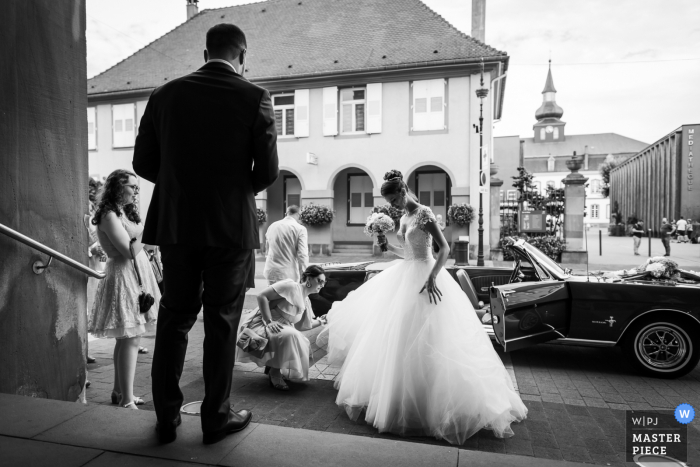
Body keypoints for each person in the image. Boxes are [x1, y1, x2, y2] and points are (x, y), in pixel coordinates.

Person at [133, 23, 279, 445]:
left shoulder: (165, 95)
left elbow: (143, 162)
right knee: (222, 320)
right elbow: (267, 172)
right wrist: (230, 192)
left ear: (205, 53)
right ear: (243, 56)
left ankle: (166, 417)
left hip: (178, 224)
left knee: (174, 318)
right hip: (230, 229)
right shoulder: (255, 97)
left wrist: (182, 186)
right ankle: (215, 418)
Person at [316, 170, 527, 445]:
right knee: (401, 340)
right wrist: (385, 244)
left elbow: (444, 249)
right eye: (389, 203)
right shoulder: (403, 218)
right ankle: (403, 400)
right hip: (405, 276)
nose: (391, 206)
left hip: (427, 276)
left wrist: (432, 277)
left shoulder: (424, 213)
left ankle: (436, 403)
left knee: (433, 339)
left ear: (403, 192)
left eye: (393, 200)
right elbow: (406, 253)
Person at [88, 169, 160, 410]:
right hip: (123, 276)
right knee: (130, 338)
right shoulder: (108, 215)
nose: (136, 191)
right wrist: (148, 228)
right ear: (117, 187)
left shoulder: (123, 212)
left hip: (136, 274)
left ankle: (119, 392)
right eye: (132, 186)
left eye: (137, 187)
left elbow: (143, 245)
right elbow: (127, 250)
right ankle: (127, 400)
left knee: (126, 338)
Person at [237, 265, 327, 390]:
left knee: (299, 338)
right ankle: (274, 373)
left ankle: (274, 368)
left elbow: (303, 325)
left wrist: (322, 321)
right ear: (309, 279)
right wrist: (269, 321)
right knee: (291, 335)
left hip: (281, 327)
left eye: (324, 282)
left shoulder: (306, 301)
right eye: (319, 281)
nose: (322, 285)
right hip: (263, 323)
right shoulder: (290, 286)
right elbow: (261, 296)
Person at [263, 205, 308, 285]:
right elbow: (302, 255)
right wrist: (304, 275)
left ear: (286, 213)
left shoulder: (272, 226)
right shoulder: (300, 229)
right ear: (298, 214)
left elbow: (267, 250)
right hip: (287, 274)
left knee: (272, 296)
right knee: (286, 297)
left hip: (271, 271)